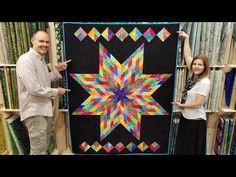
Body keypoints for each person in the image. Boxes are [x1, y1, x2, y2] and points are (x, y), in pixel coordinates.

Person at [16, 29, 69, 155]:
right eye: (41, 41)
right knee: (38, 150)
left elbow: (44, 80)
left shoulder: (40, 59)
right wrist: (56, 91)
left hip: (42, 109)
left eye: (47, 42)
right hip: (34, 111)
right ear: (32, 41)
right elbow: (33, 88)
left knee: (42, 147)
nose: (44, 44)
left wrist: (57, 70)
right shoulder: (26, 60)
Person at [172, 31, 210, 155]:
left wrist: (181, 105)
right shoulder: (194, 75)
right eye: (195, 64)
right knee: (184, 147)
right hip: (186, 117)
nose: (196, 66)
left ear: (205, 67)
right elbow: (188, 55)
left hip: (196, 121)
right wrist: (186, 39)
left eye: (200, 65)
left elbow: (198, 104)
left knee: (191, 149)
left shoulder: (204, 82)